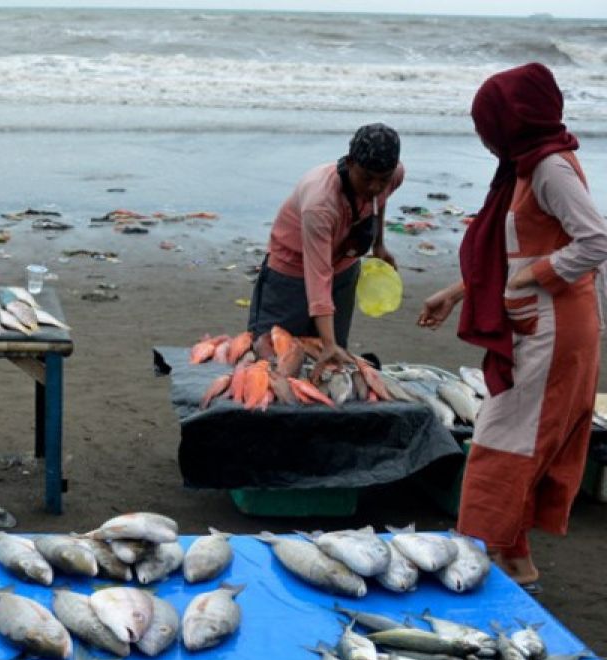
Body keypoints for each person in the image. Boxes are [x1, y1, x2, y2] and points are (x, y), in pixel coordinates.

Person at [417, 63, 607, 592]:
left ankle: (479, 552)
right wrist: (459, 293)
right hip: (534, 323)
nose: (484, 136)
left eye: (488, 123)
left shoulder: (549, 168)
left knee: (507, 441)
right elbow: (514, 250)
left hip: (554, 328)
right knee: (519, 438)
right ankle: (513, 561)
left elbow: (595, 241)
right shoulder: (524, 165)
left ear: (514, 119)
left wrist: (533, 278)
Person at [248, 123, 404, 365]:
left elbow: (378, 200)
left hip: (343, 267)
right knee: (272, 358)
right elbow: (318, 277)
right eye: (366, 178)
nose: (374, 187)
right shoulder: (321, 203)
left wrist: (379, 244)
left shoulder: (393, 175)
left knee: (331, 362)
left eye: (382, 180)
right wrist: (329, 343)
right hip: (291, 273)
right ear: (350, 163)